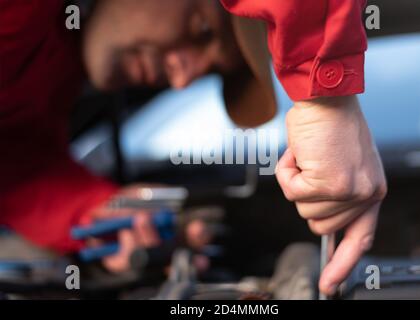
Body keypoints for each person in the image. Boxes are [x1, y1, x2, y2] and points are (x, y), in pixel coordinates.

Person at [0, 0, 386, 296]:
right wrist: (327, 96)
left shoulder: (56, 74)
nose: (182, 79)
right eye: (202, 28)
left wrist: (91, 210)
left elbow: (20, 166)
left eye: (207, 70)